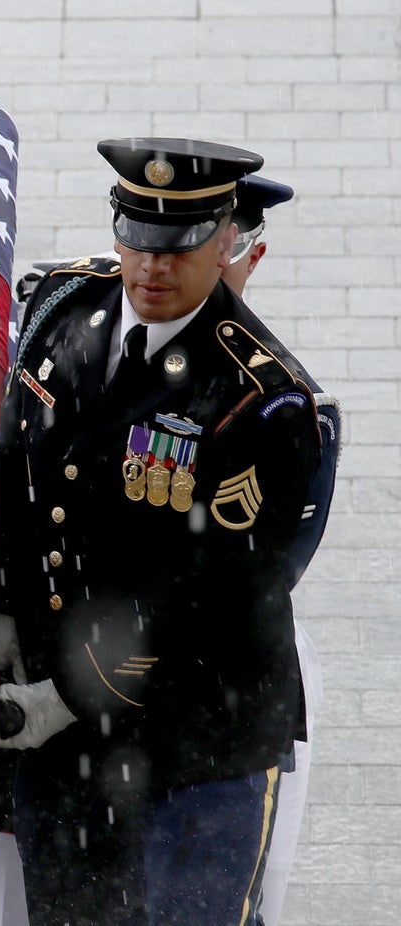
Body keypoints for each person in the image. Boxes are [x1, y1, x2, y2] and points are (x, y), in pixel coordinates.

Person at [0, 138, 324, 925]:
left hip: (194, 744)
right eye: (136, 238)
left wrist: (67, 695)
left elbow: (212, 592)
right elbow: (11, 464)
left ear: (225, 243)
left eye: (177, 248)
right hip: (64, 750)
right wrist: (1, 611)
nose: (151, 267)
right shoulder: (63, 304)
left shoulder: (264, 400)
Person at [222, 174, 337, 926]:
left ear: (248, 256)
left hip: (223, 696)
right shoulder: (90, 364)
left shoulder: (290, 404)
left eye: (211, 244)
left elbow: (266, 572)